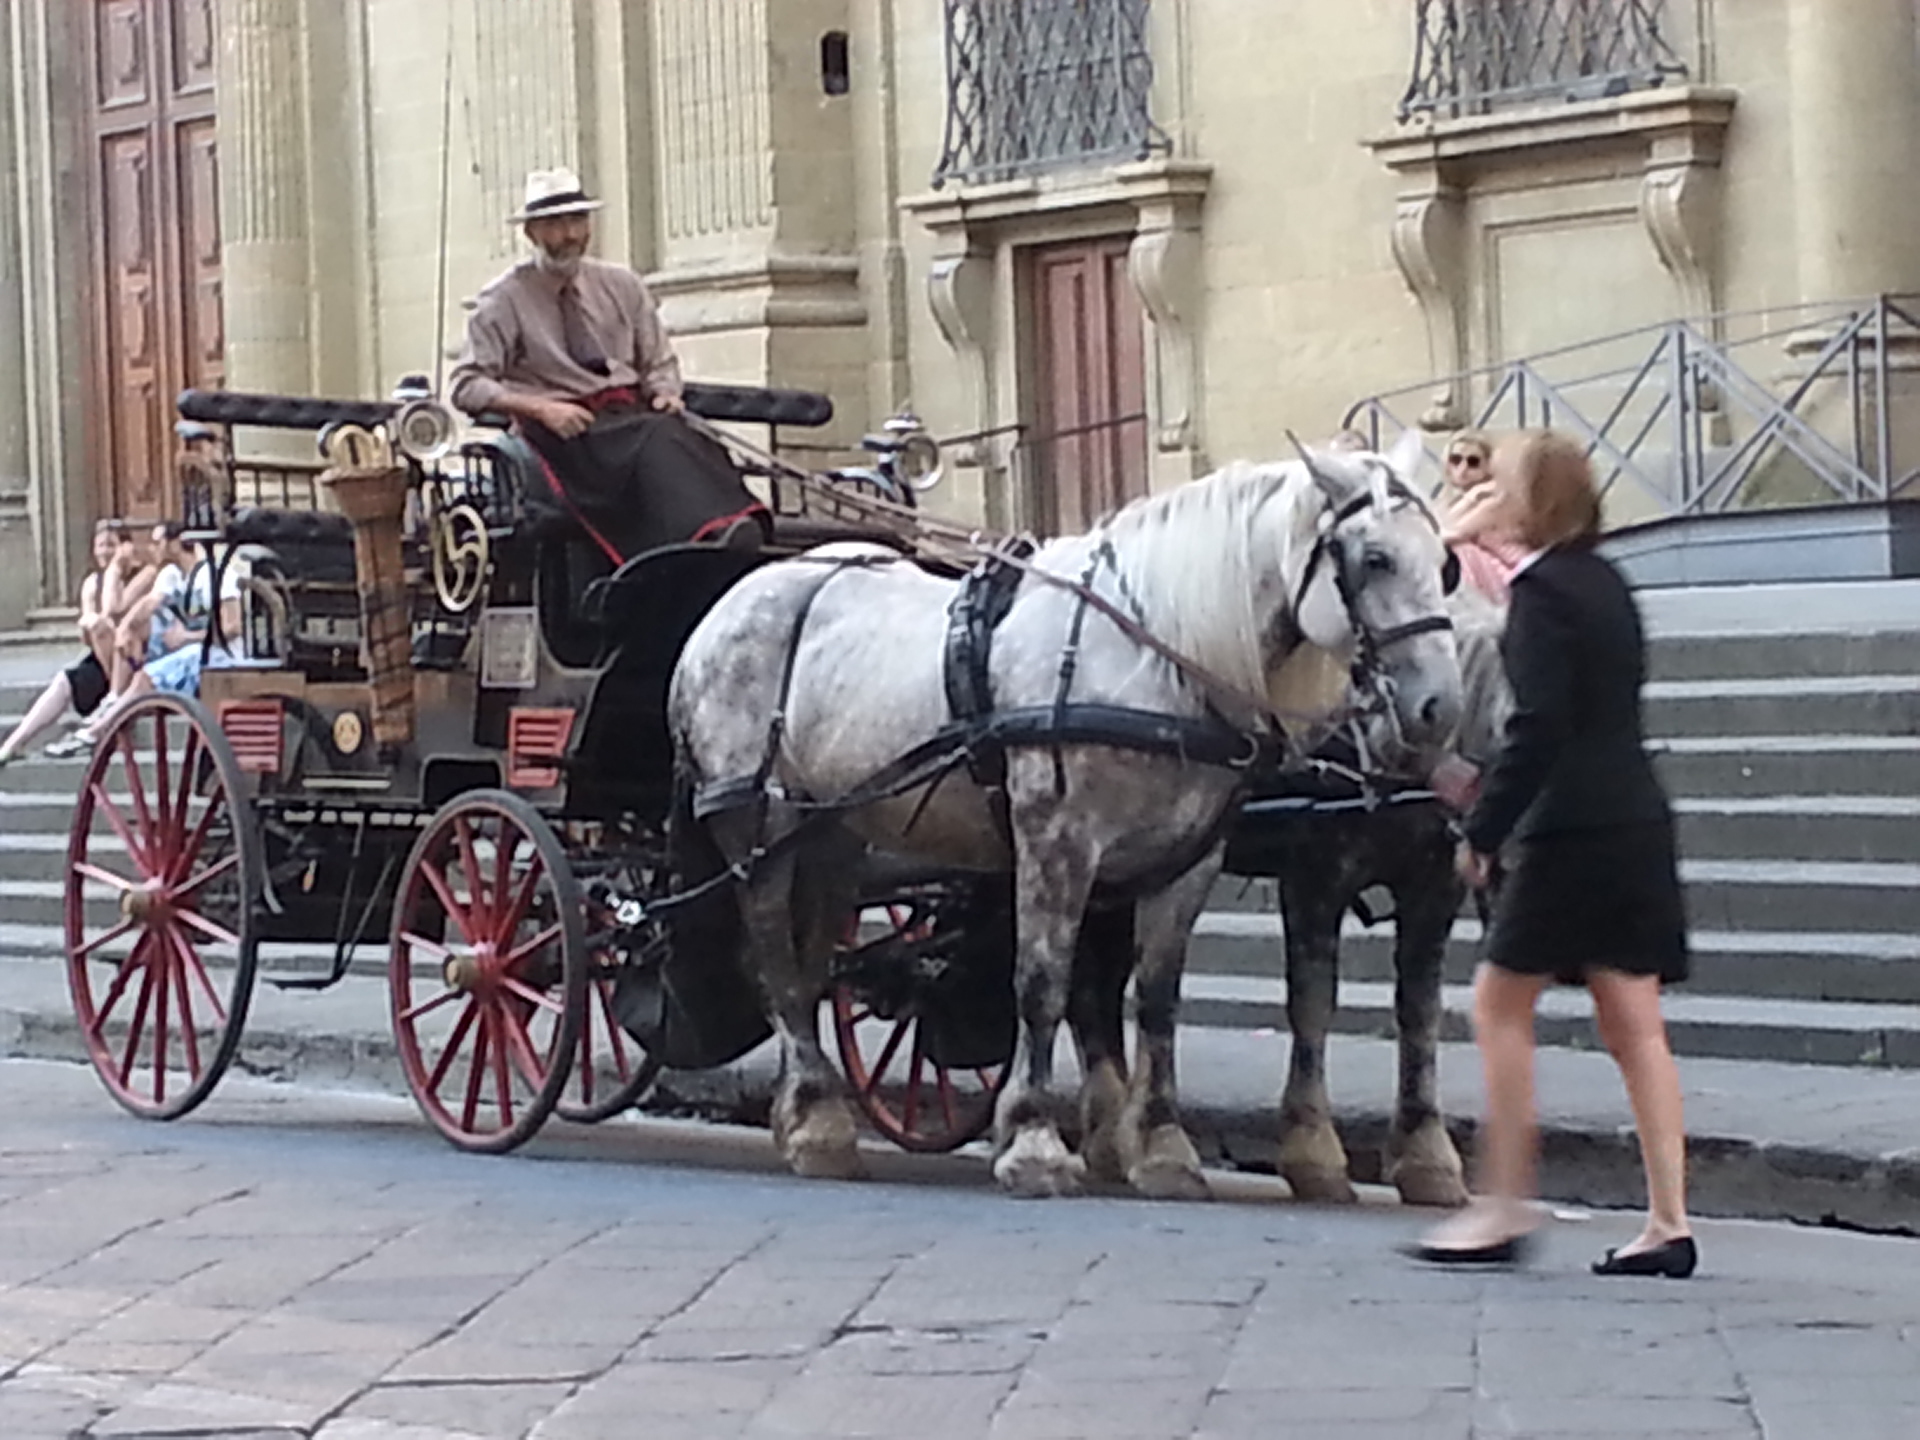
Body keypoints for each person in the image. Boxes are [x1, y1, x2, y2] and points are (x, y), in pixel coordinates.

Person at [1407, 429, 1696, 1279]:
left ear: (1535, 499)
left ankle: (1502, 1202)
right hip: (1636, 818)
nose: (1489, 491)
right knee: (1636, 1025)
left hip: (1568, 828)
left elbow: (1535, 728)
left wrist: (1482, 829)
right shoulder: (1609, 584)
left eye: (1502, 481)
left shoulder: (1539, 595)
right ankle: (1669, 1219)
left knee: (1497, 1006)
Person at [448, 166, 765, 560]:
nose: (570, 236)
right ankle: (704, 538)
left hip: (628, 417)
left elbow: (658, 362)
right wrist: (542, 408)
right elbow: (465, 385)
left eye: (578, 221)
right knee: (656, 441)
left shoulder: (623, 284)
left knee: (691, 439)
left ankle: (725, 532)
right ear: (530, 232)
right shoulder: (503, 300)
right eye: (555, 224)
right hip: (562, 436)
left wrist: (666, 393)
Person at [0, 522, 135, 766]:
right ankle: (13, 744)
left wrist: (114, 574)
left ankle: (116, 696)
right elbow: (89, 634)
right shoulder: (92, 583)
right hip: (103, 659)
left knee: (101, 625)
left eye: (111, 545)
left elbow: (115, 613)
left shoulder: (138, 577)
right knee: (64, 681)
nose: (105, 552)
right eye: (101, 545)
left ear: (125, 548)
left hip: (131, 661)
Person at [1436, 429, 1530, 604]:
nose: (1462, 469)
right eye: (1456, 460)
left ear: (1489, 465)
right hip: (1486, 571)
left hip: (1512, 572)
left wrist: (1472, 496)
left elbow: (1453, 532)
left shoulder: (1496, 496)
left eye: (1473, 462)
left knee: (1461, 551)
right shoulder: (1453, 498)